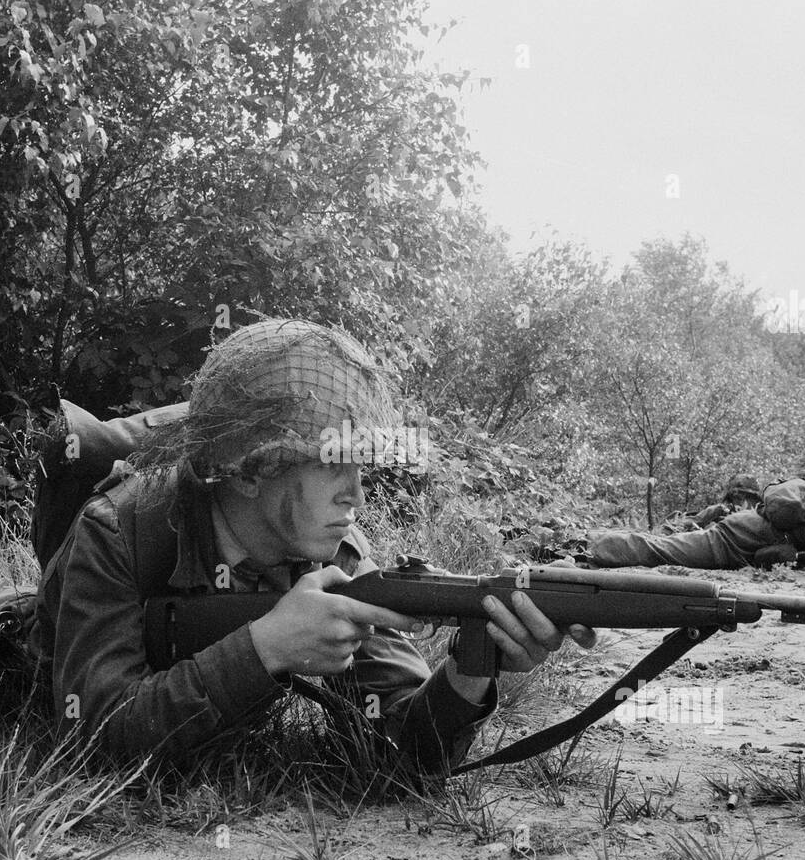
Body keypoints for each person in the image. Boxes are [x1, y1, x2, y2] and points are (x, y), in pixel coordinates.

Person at [32, 318, 594, 778]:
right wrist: (266, 649)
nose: (356, 493)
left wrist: (474, 664)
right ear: (253, 471)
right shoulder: (119, 529)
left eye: (361, 467)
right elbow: (92, 739)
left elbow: (403, 753)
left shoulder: (336, 553)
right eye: (333, 465)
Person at [574, 476, 805, 572]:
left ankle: (587, 543)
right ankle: (581, 546)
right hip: (740, 536)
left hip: (751, 537)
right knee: (661, 551)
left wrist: (802, 555)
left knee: (666, 548)